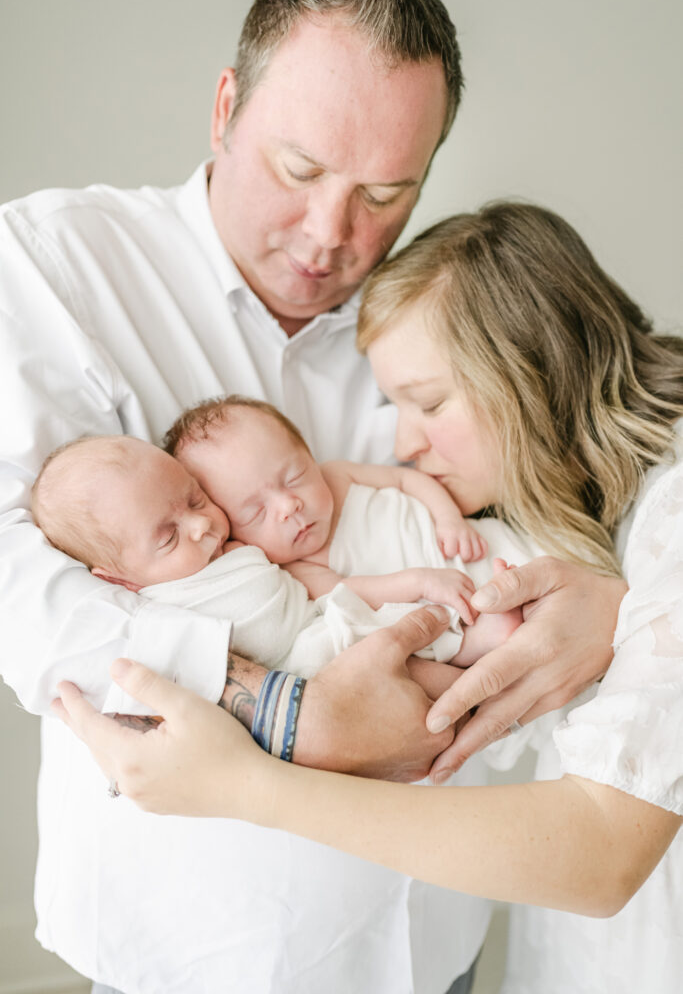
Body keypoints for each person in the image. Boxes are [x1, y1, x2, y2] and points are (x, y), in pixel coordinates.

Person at [56, 201, 683, 993]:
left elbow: (601, 852)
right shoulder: (546, 513)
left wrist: (248, 786)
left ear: (535, 372)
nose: (402, 444)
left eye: (429, 403)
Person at [31, 431, 504, 678]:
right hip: (298, 670)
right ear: (120, 579)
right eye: (168, 538)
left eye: (196, 499)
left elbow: (331, 593)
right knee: (373, 651)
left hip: (320, 624)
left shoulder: (242, 547)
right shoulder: (160, 609)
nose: (201, 525)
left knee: (371, 628)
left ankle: (476, 641)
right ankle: (473, 647)